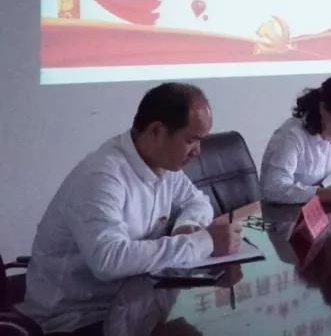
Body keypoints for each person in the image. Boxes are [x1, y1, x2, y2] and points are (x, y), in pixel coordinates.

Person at [20, 83, 243, 334]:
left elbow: (198, 201)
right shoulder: (102, 176)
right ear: (157, 131)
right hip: (79, 319)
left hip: (136, 302)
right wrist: (202, 242)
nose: (198, 151)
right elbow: (108, 260)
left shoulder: (162, 165)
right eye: (191, 140)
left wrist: (186, 226)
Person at [260, 74, 331, 205]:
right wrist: (325, 194)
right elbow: (274, 188)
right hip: (280, 211)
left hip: (310, 210)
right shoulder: (291, 136)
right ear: (324, 109)